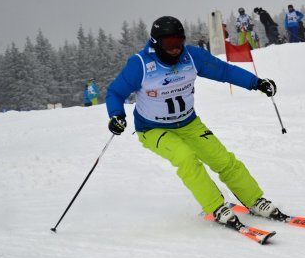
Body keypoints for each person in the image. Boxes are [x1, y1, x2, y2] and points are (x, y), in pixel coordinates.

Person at [106, 16, 281, 227]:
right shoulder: (141, 64)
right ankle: (215, 206)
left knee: (223, 160)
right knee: (186, 158)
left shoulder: (192, 56)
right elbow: (115, 92)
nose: (175, 49)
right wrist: (117, 115)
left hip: (189, 123)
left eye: (179, 42)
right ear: (156, 43)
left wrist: (256, 82)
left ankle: (255, 200)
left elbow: (224, 71)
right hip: (153, 128)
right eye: (169, 44)